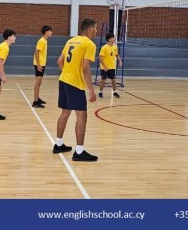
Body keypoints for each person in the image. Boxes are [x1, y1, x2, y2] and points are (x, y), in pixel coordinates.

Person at [52, 18, 99, 162]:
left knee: (65, 113)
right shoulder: (89, 44)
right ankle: (79, 151)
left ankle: (58, 144)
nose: (97, 31)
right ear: (90, 29)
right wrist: (91, 90)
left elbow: (59, 61)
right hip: (75, 84)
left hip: (64, 80)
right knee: (82, 116)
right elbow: (85, 68)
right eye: (96, 28)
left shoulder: (70, 41)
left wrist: (67, 73)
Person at [33, 25, 53, 108]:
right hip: (39, 64)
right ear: (46, 32)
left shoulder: (44, 41)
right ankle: (35, 101)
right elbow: (36, 52)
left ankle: (37, 98)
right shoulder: (42, 41)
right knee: (37, 83)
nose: (51, 32)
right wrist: (38, 64)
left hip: (41, 64)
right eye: (50, 31)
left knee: (39, 83)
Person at [98, 33, 123, 98]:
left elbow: (116, 55)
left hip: (112, 67)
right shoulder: (104, 48)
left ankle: (114, 92)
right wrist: (104, 66)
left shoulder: (115, 47)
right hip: (104, 67)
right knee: (103, 80)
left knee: (113, 80)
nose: (114, 39)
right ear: (109, 39)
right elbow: (100, 58)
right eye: (112, 38)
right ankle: (100, 92)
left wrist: (119, 61)